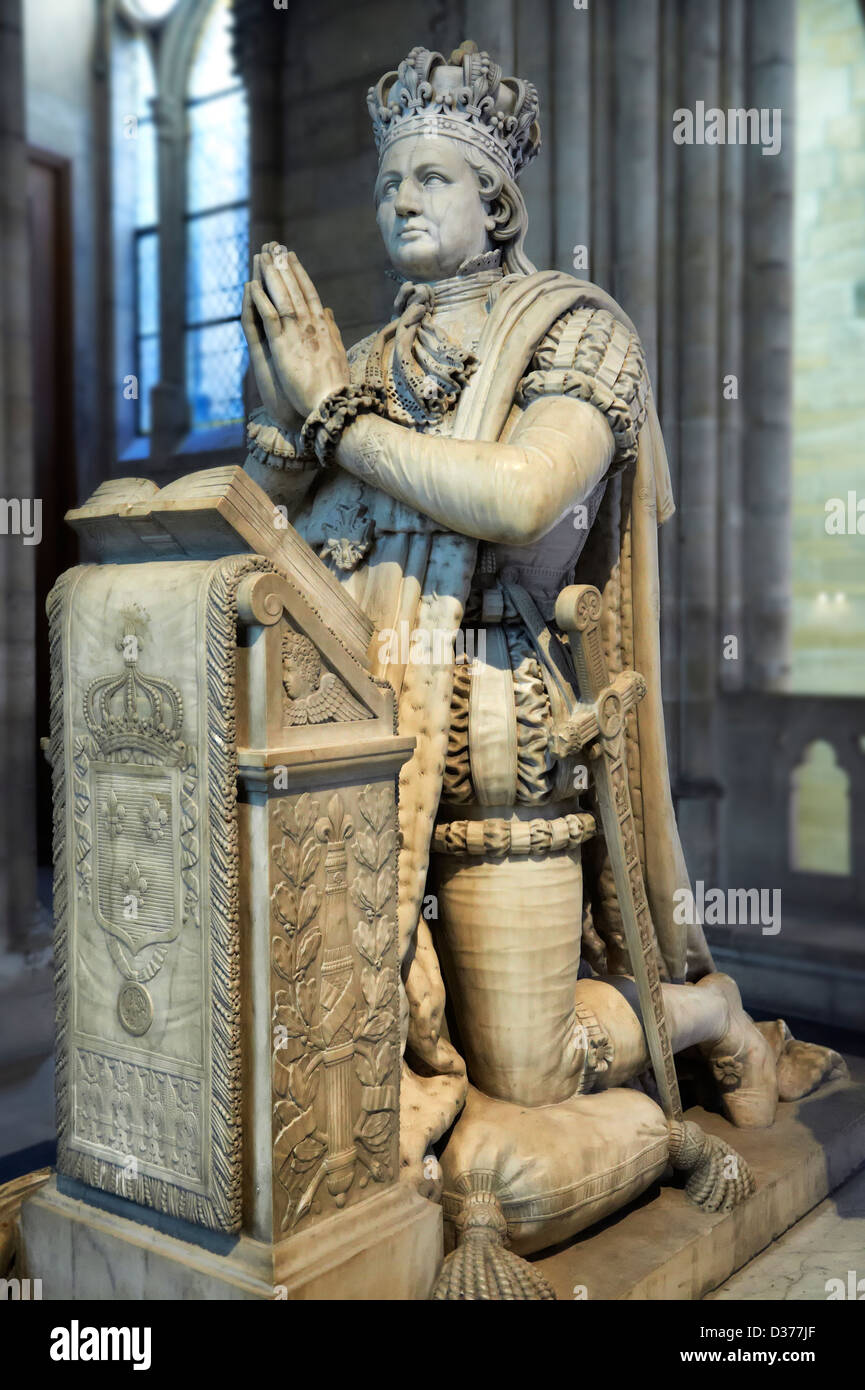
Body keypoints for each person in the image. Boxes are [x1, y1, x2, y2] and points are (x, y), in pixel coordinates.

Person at [241, 42, 844, 1294]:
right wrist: (287, 438)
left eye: (430, 178)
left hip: (504, 738)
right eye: (386, 179)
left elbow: (514, 497)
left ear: (494, 202)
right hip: (357, 737)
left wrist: (332, 420)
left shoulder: (579, 333)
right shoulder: (361, 360)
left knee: (536, 1062)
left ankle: (710, 1019)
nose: (397, 199)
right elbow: (295, 535)